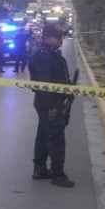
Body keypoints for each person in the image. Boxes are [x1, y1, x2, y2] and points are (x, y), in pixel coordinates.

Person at [29, 24, 74, 188]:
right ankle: (58, 175)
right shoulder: (43, 57)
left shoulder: (50, 54)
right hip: (49, 104)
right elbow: (44, 85)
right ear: (48, 38)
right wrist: (53, 107)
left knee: (43, 136)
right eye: (58, 37)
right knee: (56, 139)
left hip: (50, 103)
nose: (61, 40)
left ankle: (39, 169)